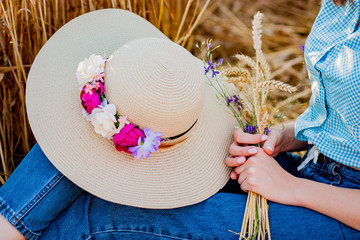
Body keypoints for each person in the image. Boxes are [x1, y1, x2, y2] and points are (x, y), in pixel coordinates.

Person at [1, 0, 360, 239]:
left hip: (343, 211)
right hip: (313, 163)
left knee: (104, 216)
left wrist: (291, 188)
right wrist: (289, 133)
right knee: (114, 126)